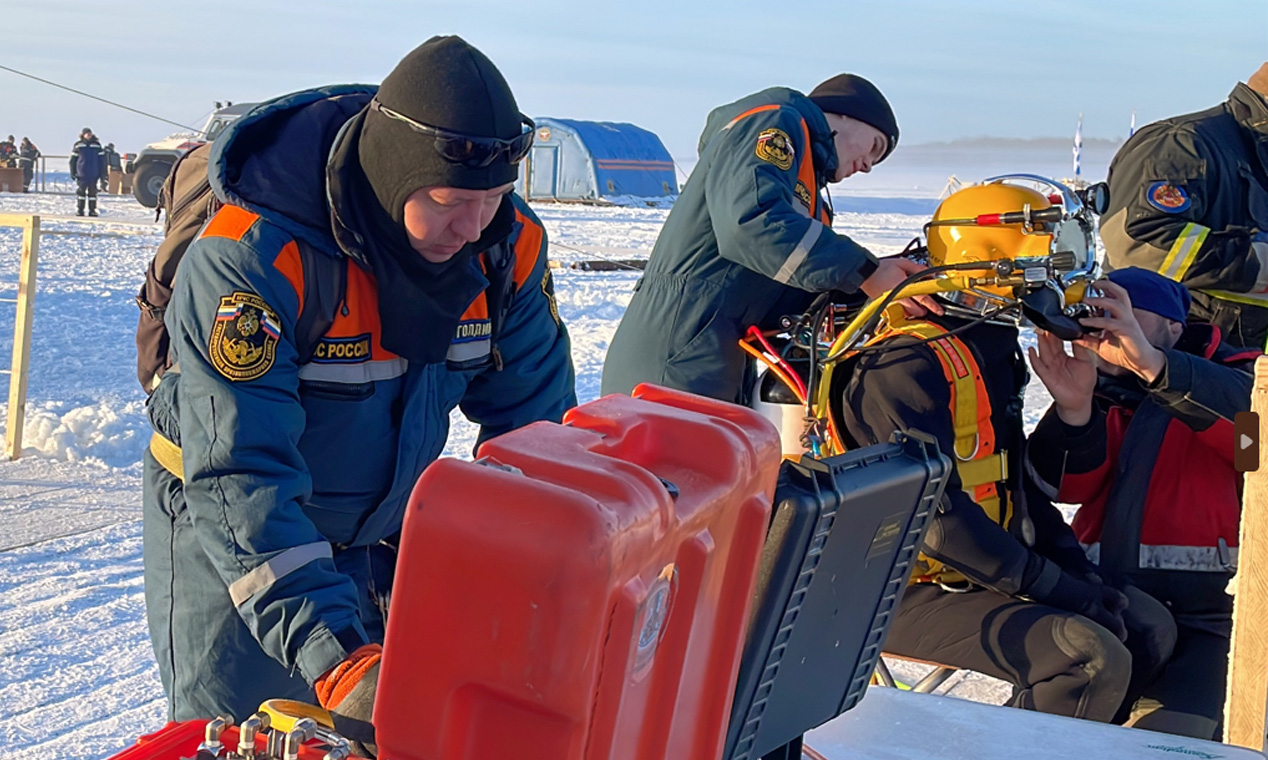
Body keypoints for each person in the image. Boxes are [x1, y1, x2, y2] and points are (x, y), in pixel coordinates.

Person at [141, 35, 576, 750]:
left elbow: (539, 433)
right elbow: (241, 474)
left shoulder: (505, 246)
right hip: (234, 529)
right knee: (252, 732)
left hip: (380, 524)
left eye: (495, 198)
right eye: (449, 201)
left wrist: (535, 582)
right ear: (394, 174)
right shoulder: (253, 260)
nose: (473, 227)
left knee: (385, 728)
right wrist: (333, 649)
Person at [837, 182, 1176, 723]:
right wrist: (1056, 588)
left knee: (1147, 627)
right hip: (883, 588)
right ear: (991, 260)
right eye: (1051, 254)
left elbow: (1015, 485)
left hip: (971, 567)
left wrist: (1073, 570)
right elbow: (935, 523)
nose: (1069, 274)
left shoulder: (982, 344)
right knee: (1088, 658)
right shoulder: (905, 362)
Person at [600, 74, 937, 404]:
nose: (867, 167)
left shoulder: (801, 187)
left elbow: (775, 284)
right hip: (675, 357)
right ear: (844, 113)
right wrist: (866, 271)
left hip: (709, 355)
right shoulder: (777, 121)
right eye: (874, 148)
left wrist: (865, 284)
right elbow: (750, 223)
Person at [1027, 267, 1255, 738]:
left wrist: (1154, 367)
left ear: (1175, 327)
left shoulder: (1239, 379)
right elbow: (1066, 489)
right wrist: (1074, 412)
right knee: (1058, 739)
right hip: (1115, 603)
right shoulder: (1103, 388)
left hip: (1213, 617)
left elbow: (1253, 446)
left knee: (1175, 743)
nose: (1110, 325)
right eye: (1100, 313)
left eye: (1127, 313)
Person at [1101, 62, 1268, 350]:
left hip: (1241, 374)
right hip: (1167, 374)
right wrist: (1257, 263)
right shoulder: (1181, 144)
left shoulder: (1258, 154)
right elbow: (1141, 242)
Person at [70, 127, 107, 216]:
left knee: (92, 193)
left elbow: (102, 160)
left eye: (89, 133)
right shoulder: (78, 145)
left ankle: (92, 210)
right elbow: (73, 160)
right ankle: (80, 209)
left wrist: (103, 174)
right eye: (87, 133)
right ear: (83, 135)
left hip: (94, 173)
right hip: (82, 173)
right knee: (81, 193)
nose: (88, 135)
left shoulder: (97, 145)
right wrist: (73, 172)